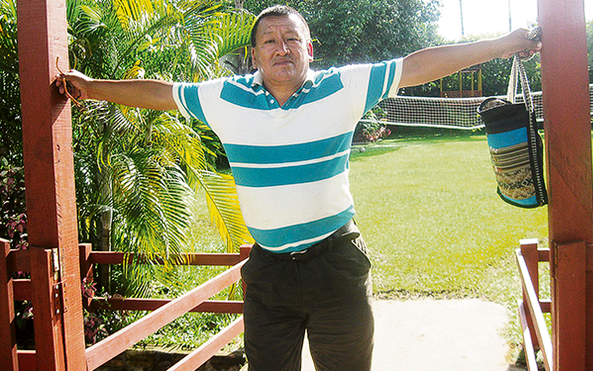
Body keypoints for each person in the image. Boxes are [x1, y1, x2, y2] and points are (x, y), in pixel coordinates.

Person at [56, 5, 541, 371]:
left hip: (336, 266)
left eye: (292, 39)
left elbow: (416, 65)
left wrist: (501, 44)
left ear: (311, 50)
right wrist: (90, 87)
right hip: (268, 275)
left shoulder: (342, 87)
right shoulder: (224, 98)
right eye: (269, 40)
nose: (281, 47)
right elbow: (161, 93)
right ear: (254, 54)